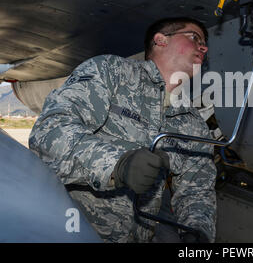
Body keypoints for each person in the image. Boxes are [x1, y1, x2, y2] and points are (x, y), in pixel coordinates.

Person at [29, 17, 216, 243]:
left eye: (204, 43)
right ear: (161, 40)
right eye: (194, 38)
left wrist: (197, 233)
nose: (203, 47)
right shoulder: (111, 72)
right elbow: (49, 132)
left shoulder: (193, 123)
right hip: (70, 232)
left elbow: (197, 189)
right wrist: (117, 165)